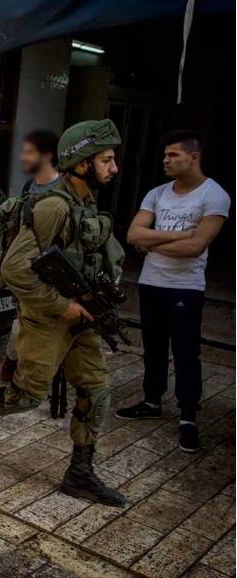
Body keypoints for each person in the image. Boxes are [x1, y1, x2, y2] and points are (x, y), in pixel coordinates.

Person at [0, 119, 128, 507]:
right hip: (48, 319)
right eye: (107, 160)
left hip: (82, 318)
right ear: (81, 164)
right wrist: (64, 306)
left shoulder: (85, 202)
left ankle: (79, 473)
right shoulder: (54, 208)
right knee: (27, 396)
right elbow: (14, 270)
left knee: (96, 391)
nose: (113, 168)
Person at [115, 130, 229, 453]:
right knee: (152, 347)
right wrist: (175, 237)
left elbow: (196, 247)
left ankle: (188, 417)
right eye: (165, 155)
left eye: (173, 155)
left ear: (194, 157)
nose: (165, 160)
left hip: (185, 288)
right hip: (151, 283)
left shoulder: (214, 196)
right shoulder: (157, 193)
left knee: (185, 352)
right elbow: (134, 233)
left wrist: (152, 241)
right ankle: (151, 401)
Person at [1, 130, 61, 382]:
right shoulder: (29, 187)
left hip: (52, 267)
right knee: (22, 323)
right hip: (27, 267)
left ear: (46, 155)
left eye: (29, 152)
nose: (23, 157)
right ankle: (13, 363)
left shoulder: (62, 190)